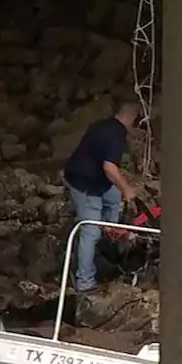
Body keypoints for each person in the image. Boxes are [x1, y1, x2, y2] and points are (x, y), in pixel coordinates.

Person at [62, 95, 140, 293]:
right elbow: (109, 168)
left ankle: (110, 233)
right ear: (132, 116)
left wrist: (120, 189)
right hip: (84, 184)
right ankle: (85, 281)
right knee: (90, 230)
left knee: (113, 198)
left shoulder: (103, 125)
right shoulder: (117, 135)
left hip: (90, 177)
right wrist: (127, 188)